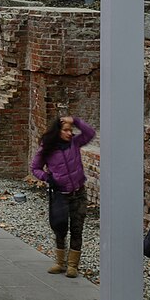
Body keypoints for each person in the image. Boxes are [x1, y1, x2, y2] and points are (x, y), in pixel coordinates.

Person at [31, 115, 96, 277]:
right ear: (57, 131)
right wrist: (47, 178)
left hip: (78, 193)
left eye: (70, 130)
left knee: (77, 227)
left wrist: (75, 120)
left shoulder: (75, 142)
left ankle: (73, 265)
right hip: (60, 194)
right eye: (66, 130)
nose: (69, 133)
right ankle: (60, 262)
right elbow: (35, 168)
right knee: (60, 227)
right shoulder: (47, 147)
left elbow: (90, 133)